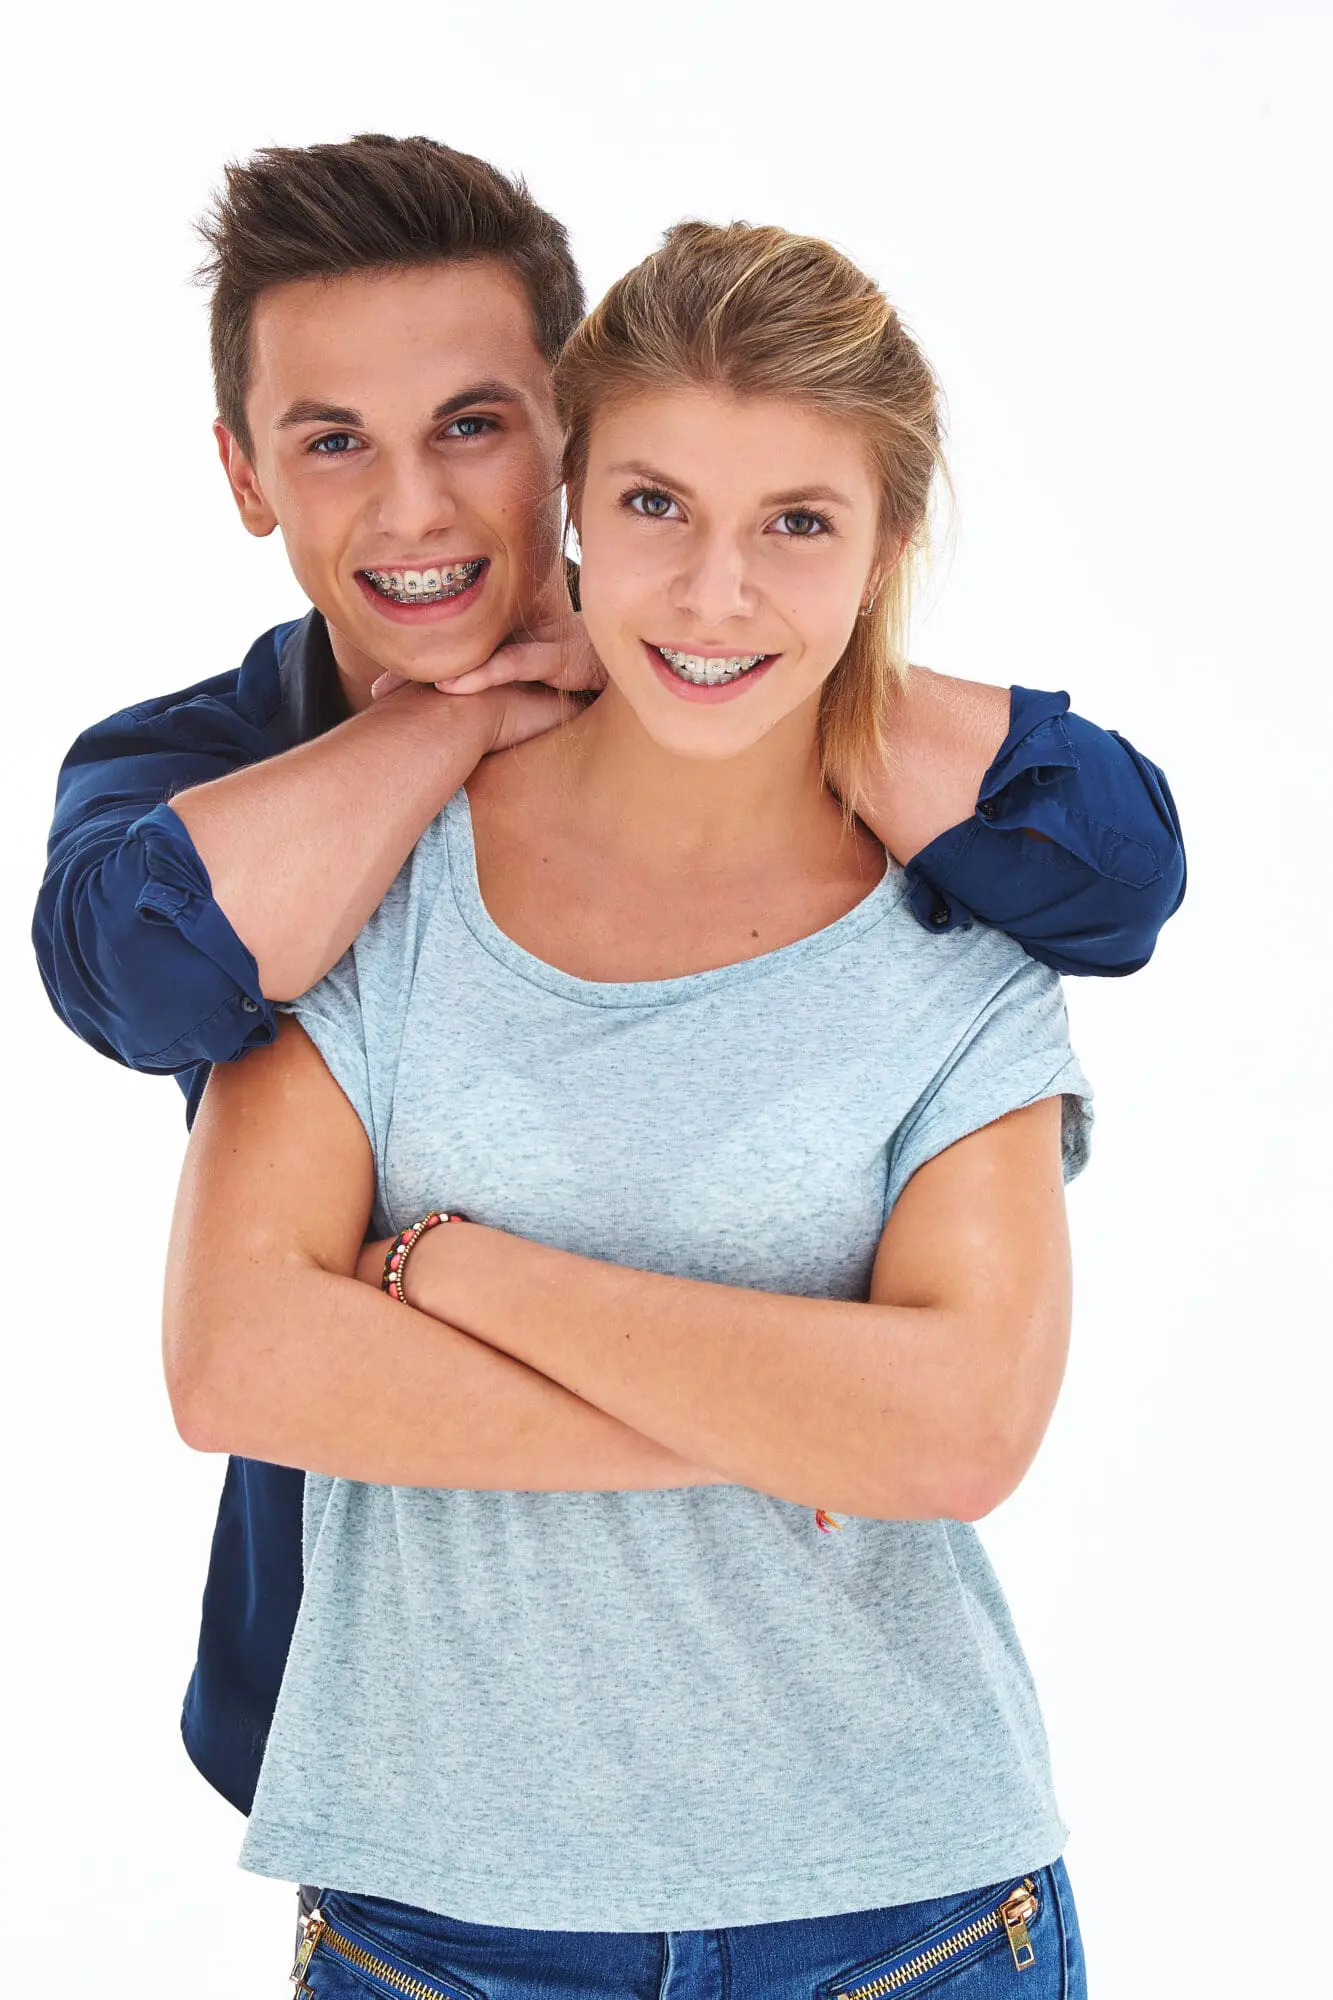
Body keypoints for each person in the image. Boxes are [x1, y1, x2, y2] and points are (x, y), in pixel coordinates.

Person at [32, 136, 1184, 1834]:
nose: (413, 506)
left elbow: (1110, 866)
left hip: (855, 1796)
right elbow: (146, 979)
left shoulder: (732, 676)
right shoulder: (193, 773)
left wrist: (740, 649)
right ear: (243, 471)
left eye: (473, 426)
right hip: (405, 1737)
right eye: (332, 439)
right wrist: (453, 715)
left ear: (571, 440)